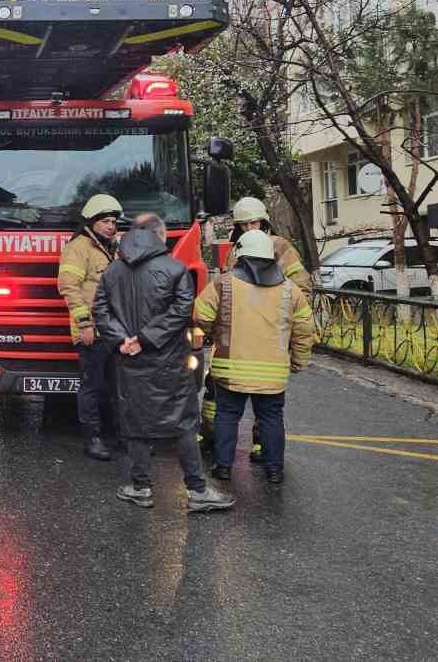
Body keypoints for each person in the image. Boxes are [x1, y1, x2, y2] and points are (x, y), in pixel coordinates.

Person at [94, 214, 234, 513]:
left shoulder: (112, 272)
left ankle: (140, 487)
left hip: (129, 361)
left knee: (136, 424)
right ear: (160, 236)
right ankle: (197, 490)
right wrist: (146, 338)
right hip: (168, 360)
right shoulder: (175, 269)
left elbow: (100, 310)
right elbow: (183, 309)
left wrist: (123, 341)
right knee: (182, 423)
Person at [194, 229, 314, 485]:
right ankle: (274, 470)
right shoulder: (290, 290)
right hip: (272, 374)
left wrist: (213, 332)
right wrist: (299, 360)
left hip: (230, 369)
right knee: (271, 419)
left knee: (227, 415)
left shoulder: (223, 283)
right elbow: (304, 327)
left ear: (241, 254)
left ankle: (223, 467)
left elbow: (201, 315)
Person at [214, 196, 309, 463]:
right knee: (254, 398)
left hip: (270, 330)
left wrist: (285, 320)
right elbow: (224, 289)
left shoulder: (281, 247)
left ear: (264, 221)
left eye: (253, 222)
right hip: (241, 332)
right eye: (243, 224)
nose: (249, 228)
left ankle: (257, 448)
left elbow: (301, 286)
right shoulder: (236, 249)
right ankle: (226, 447)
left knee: (262, 401)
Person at [57, 194, 123, 461]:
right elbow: (69, 287)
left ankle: (123, 437)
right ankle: (93, 439)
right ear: (93, 222)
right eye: (106, 221)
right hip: (92, 331)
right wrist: (84, 324)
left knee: (119, 387)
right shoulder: (79, 248)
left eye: (114, 221)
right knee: (92, 386)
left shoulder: (112, 248)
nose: (111, 226)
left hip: (114, 330)